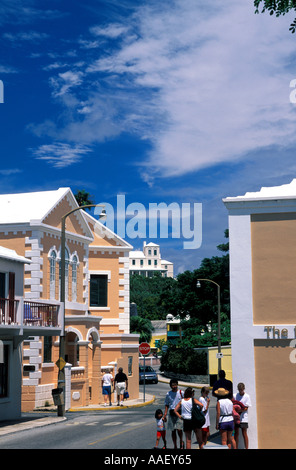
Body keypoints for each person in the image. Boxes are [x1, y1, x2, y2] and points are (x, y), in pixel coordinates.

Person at [163, 379, 184, 449]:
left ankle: (181, 442)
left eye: (175, 385)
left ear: (177, 385)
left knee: (179, 429)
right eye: (173, 385)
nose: (174, 386)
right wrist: (165, 414)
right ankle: (175, 445)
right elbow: (166, 404)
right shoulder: (168, 394)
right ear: (170, 386)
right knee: (173, 430)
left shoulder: (181, 393)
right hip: (171, 413)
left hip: (179, 413)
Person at [234, 383, 251, 449]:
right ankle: (236, 447)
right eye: (239, 390)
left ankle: (246, 448)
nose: (241, 391)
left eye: (242, 390)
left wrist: (239, 411)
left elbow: (246, 407)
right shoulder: (235, 395)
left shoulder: (247, 396)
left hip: (244, 418)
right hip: (236, 418)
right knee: (236, 433)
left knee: (244, 433)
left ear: (244, 389)